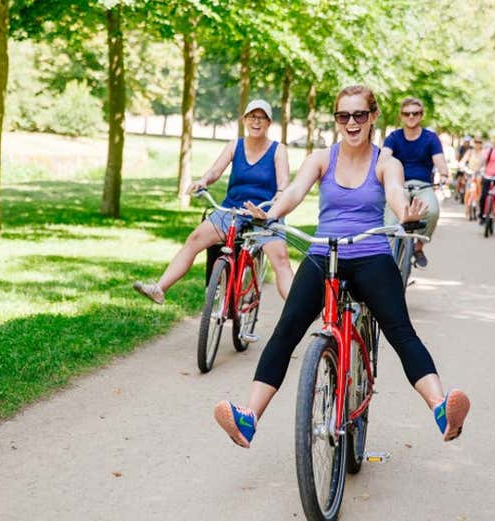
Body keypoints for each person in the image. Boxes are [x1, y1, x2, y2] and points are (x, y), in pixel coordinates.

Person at [213, 85, 470, 449]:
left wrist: (405, 214)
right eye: (343, 115)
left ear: (373, 117)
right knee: (286, 330)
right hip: (324, 254)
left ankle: (441, 409)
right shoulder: (322, 158)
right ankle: (249, 418)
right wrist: (271, 213)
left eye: (359, 115)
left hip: (371, 255)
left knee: (401, 332)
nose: (352, 122)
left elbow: (395, 192)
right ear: (336, 119)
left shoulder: (387, 163)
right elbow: (294, 191)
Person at [132, 99, 294, 303]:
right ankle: (159, 288)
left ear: (269, 123)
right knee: (194, 239)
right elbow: (215, 171)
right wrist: (203, 181)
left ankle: (299, 310)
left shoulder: (278, 150)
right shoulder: (235, 145)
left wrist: (279, 195)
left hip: (264, 214)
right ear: (244, 119)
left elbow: (283, 182)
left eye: (262, 118)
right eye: (252, 116)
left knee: (281, 261)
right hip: (232, 210)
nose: (256, 121)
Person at [379, 97, 451, 268]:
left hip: (423, 185)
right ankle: (388, 264)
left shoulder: (431, 138)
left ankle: (418, 248)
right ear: (401, 116)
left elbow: (439, 160)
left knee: (432, 211)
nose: (411, 116)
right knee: (389, 225)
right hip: (398, 185)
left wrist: (444, 174)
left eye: (415, 113)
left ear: (421, 115)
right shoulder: (393, 137)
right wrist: (381, 168)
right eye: (407, 113)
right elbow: (384, 158)